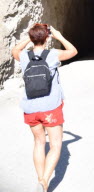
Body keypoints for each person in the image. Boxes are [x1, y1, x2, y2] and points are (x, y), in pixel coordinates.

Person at [11, 23, 78, 192]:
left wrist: (30, 37)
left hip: (30, 108)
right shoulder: (53, 55)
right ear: (47, 37)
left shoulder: (24, 56)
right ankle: (44, 181)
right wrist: (58, 36)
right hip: (50, 107)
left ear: (32, 38)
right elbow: (73, 51)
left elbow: (14, 51)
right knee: (55, 145)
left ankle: (40, 179)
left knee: (39, 143)